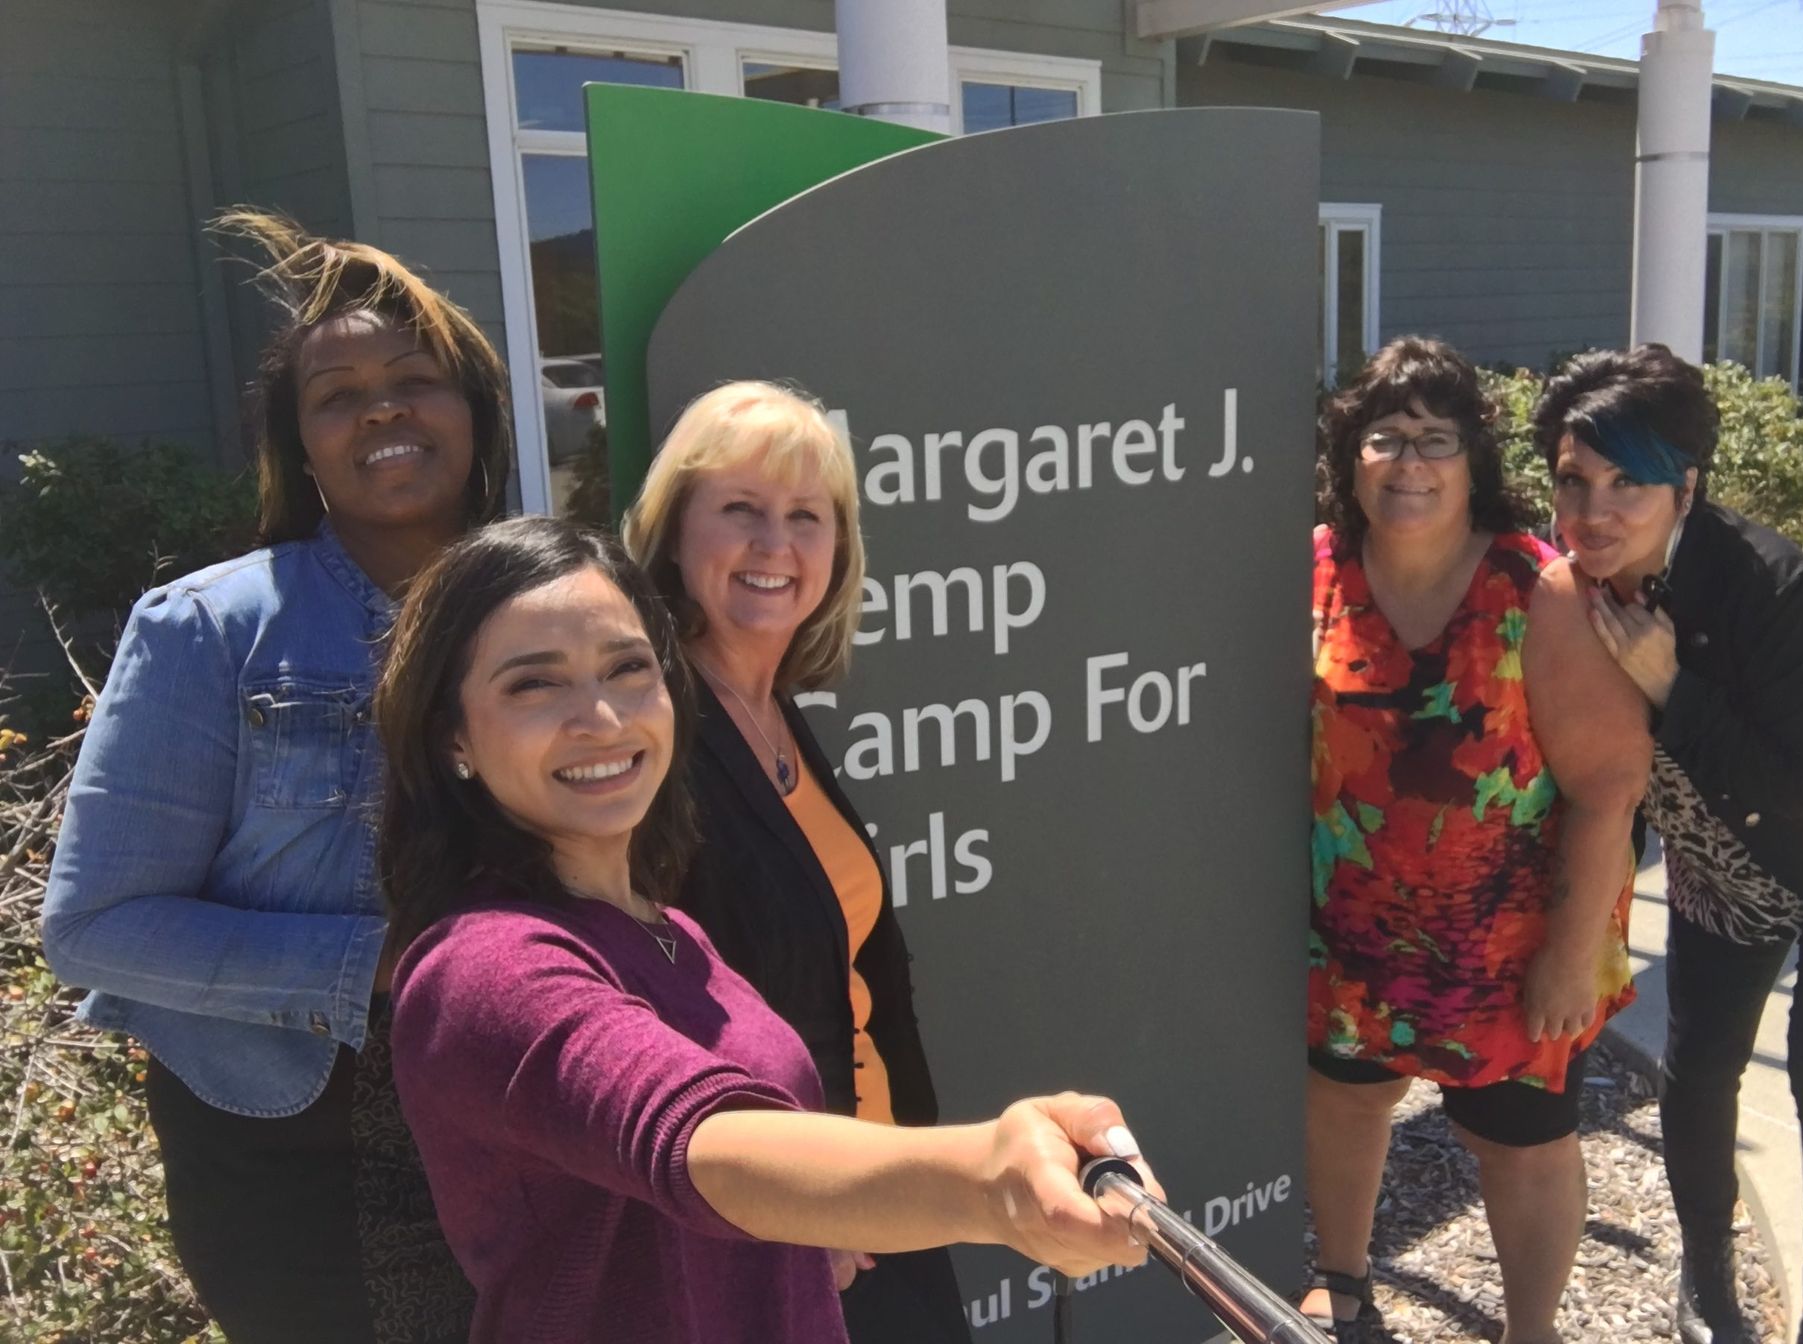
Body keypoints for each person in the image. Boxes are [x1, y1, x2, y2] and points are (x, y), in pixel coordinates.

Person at [374, 516, 1154, 1344]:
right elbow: (692, 1140)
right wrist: (991, 1184)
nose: (600, 716)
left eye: (629, 668)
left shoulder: (669, 928)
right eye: (535, 684)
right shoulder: (484, 968)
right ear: (452, 735)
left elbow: (743, 1173)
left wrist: (812, 1225)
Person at [40, 211, 509, 1342]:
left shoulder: (546, 609)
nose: (383, 407)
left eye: (414, 379)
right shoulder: (211, 629)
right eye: (338, 396)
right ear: (303, 451)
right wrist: (384, 966)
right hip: (303, 1163)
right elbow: (95, 926)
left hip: (516, 1132)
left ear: (475, 412)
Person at [1533, 344, 1803, 1344]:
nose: (1596, 512)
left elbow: (1802, 782)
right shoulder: (1567, 590)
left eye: (1631, 482)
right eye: (1575, 480)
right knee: (1699, 1068)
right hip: (1724, 868)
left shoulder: (1768, 585)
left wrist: (1672, 687)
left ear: (1686, 486)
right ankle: (1706, 1273)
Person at [1305, 337, 1650, 1344]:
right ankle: (1342, 1278)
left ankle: (1530, 1330)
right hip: (1353, 929)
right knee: (1346, 1101)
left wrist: (1571, 955)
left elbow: (1608, 785)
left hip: (1511, 941)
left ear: (1474, 462)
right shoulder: (1316, 570)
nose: (1410, 462)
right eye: (1385, 437)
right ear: (1350, 455)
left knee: (1521, 1141)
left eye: (1436, 440)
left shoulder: (1537, 589)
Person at [622, 380, 966, 1338]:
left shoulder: (772, 713)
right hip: (785, 1219)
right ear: (674, 531)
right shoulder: (653, 728)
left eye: (806, 516)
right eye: (740, 509)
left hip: (881, 1173)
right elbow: (654, 1007)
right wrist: (800, 1198)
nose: (776, 545)